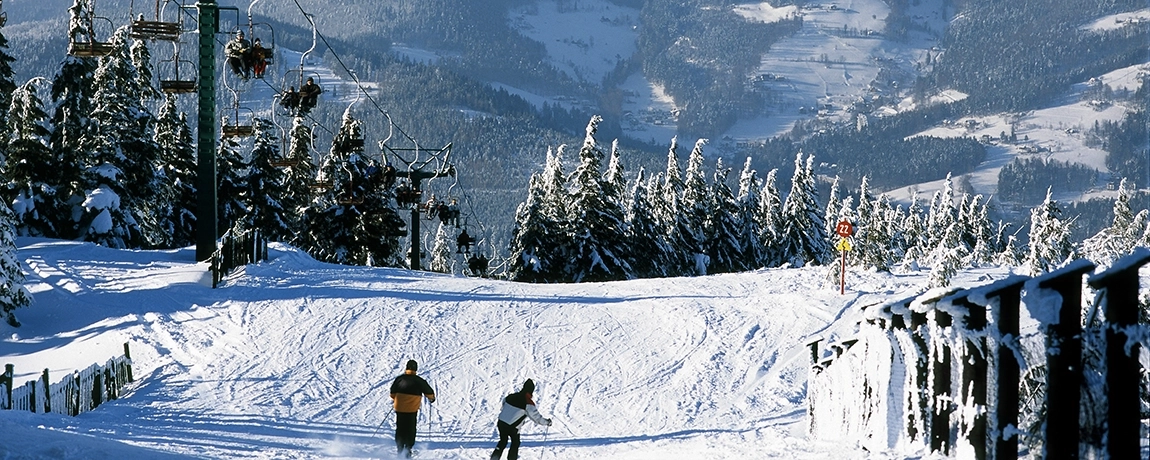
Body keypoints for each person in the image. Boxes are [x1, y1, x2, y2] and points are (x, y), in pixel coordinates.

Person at [491, 379, 552, 460]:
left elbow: (503, 406)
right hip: (512, 427)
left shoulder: (510, 396)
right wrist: (547, 422)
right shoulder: (528, 403)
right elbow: (537, 418)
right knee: (515, 443)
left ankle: (494, 458)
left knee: (503, 441)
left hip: (501, 423)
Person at [390, 359, 435, 459]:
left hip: (399, 408)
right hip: (411, 409)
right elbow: (429, 393)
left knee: (400, 428)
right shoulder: (419, 381)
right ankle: (408, 448)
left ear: (406, 368)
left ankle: (400, 448)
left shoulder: (399, 379)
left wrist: (398, 398)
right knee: (410, 428)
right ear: (416, 369)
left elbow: (392, 393)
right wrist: (432, 399)